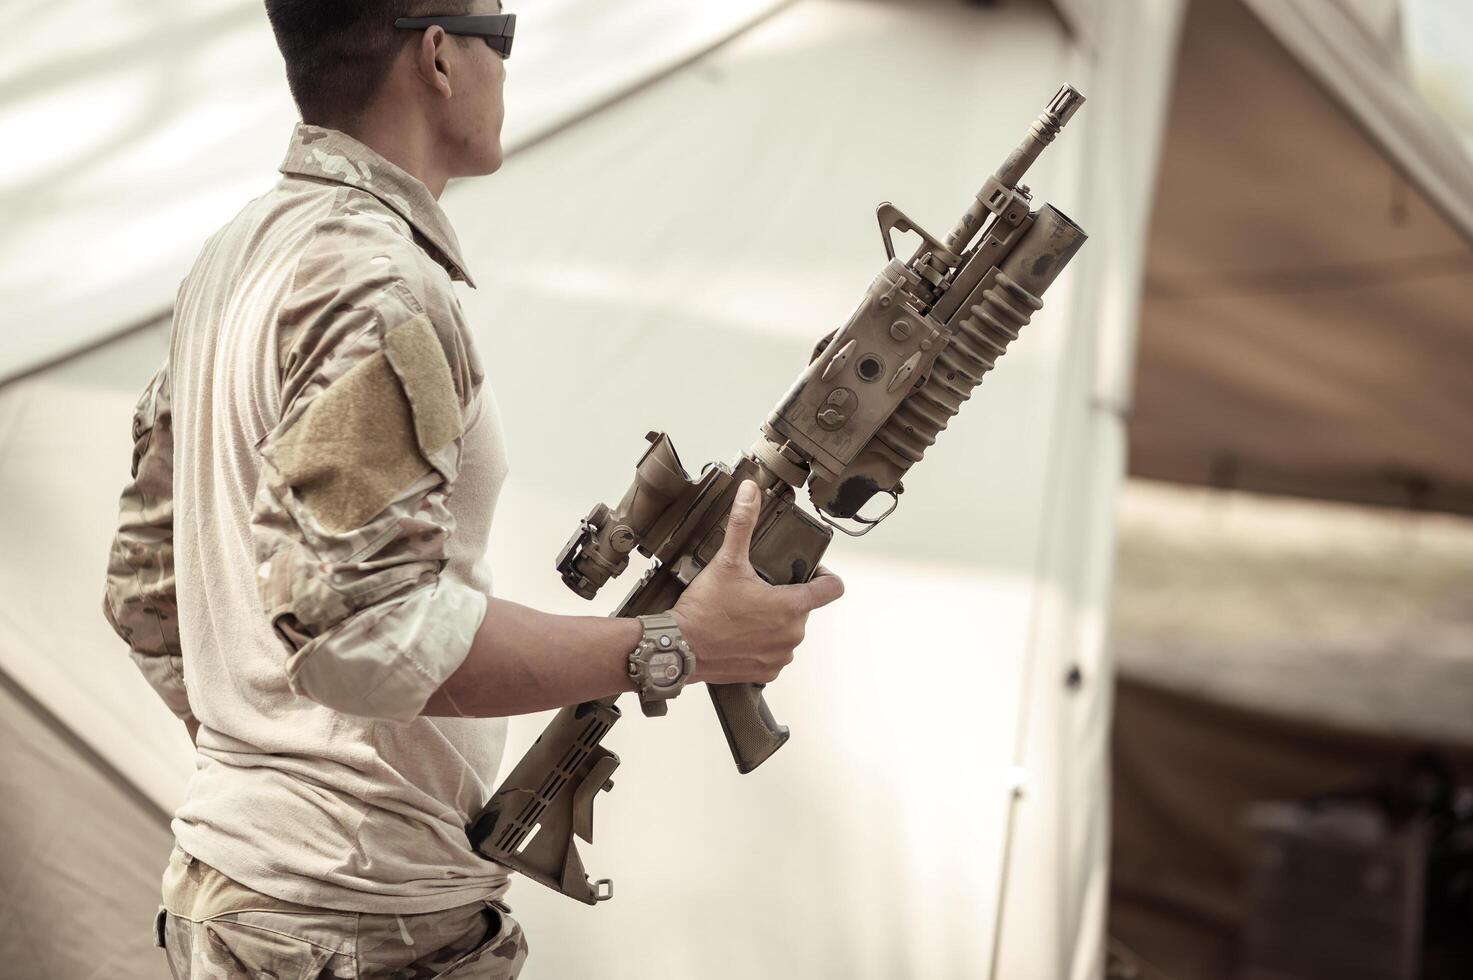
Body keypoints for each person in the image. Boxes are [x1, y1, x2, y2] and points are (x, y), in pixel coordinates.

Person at [101, 2, 845, 977]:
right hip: (353, 922)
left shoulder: (238, 256)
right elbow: (370, 635)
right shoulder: (374, 285)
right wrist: (675, 646)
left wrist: (266, 770)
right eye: (503, 35)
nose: (507, 65)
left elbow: (143, 591)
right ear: (440, 56)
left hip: (257, 894)